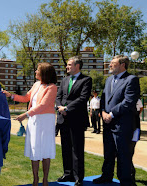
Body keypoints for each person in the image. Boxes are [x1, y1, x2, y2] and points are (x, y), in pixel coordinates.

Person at [3, 62, 57, 186]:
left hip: (45, 121)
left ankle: (45, 180)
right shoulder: (36, 84)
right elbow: (27, 98)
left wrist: (25, 114)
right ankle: (35, 179)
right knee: (35, 149)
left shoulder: (52, 87)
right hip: (34, 120)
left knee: (45, 150)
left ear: (44, 73)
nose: (35, 72)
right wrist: (11, 95)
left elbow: (43, 105)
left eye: (38, 70)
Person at [93, 55, 140, 186]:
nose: (109, 65)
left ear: (122, 65)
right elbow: (103, 99)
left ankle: (125, 182)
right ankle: (106, 176)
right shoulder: (108, 80)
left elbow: (128, 102)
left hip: (122, 125)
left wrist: (111, 114)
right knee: (108, 153)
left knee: (123, 155)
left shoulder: (132, 79)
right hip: (107, 124)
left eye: (113, 63)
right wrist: (102, 112)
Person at [55, 56, 92, 186]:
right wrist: (60, 108)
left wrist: (67, 108)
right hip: (63, 119)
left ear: (77, 66)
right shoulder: (64, 80)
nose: (67, 67)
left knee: (77, 149)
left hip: (76, 120)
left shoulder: (86, 80)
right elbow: (58, 96)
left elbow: (83, 98)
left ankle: (78, 177)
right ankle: (67, 174)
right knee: (65, 148)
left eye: (70, 64)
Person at [130, 99, 143, 185]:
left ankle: (131, 175)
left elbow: (141, 108)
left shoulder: (137, 100)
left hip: (134, 130)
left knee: (129, 153)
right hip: (130, 129)